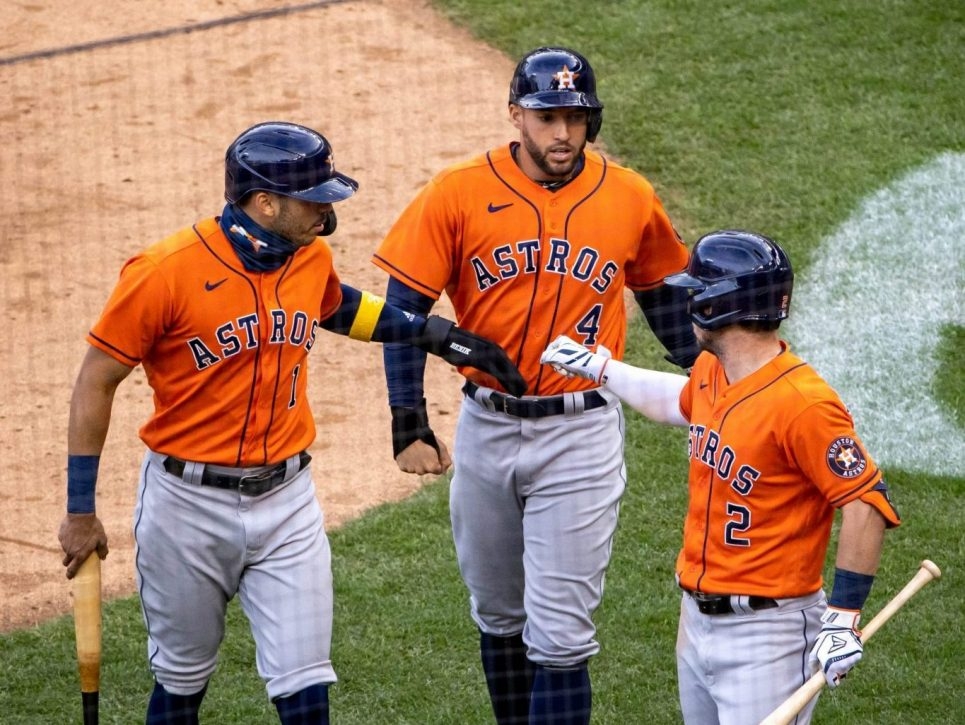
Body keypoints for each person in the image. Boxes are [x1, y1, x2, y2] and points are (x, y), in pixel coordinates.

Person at [57, 121, 525, 725]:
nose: (326, 219)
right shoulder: (162, 273)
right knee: (180, 681)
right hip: (186, 507)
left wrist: (441, 336)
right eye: (315, 202)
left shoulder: (309, 258)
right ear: (263, 202)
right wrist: (78, 509)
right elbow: (95, 382)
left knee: (307, 689)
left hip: (288, 503)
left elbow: (341, 307)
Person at [371, 47, 699, 724]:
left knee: (559, 637)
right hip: (485, 427)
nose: (562, 133)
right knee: (497, 616)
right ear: (516, 114)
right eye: (548, 116)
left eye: (576, 118)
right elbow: (404, 307)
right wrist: (407, 417)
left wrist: (723, 376)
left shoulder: (627, 195)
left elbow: (665, 303)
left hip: (579, 434)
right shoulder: (457, 192)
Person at [540, 229, 902, 724]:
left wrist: (841, 619)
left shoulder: (803, 405)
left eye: (695, 291)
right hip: (698, 619)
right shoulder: (714, 372)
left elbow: (866, 501)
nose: (686, 301)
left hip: (768, 634)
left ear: (720, 304)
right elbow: (677, 401)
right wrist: (603, 369)